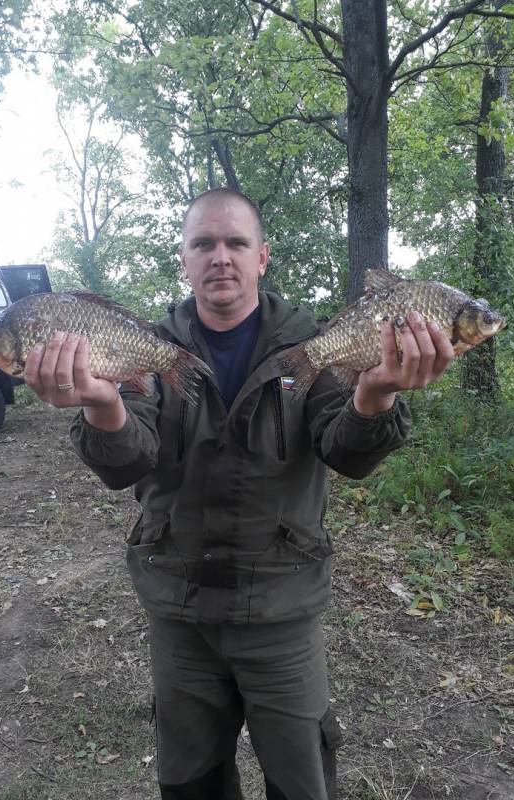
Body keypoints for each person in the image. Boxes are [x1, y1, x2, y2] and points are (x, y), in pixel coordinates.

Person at [24, 188, 455, 800]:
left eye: (235, 243)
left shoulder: (315, 343)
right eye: (203, 243)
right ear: (184, 259)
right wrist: (103, 404)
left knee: (300, 779)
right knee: (190, 779)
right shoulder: (143, 347)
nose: (220, 257)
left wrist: (375, 396)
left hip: (282, 608)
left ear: (262, 257)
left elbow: (347, 453)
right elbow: (128, 463)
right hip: (179, 609)